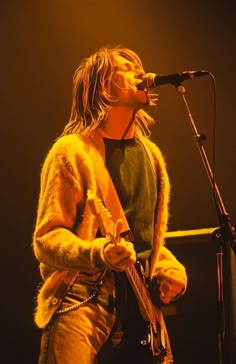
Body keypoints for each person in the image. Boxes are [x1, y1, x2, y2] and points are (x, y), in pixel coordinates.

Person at [32, 45, 187, 364]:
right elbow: (47, 238)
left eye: (137, 66)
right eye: (126, 68)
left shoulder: (151, 156)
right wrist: (98, 253)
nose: (139, 73)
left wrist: (168, 269)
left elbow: (144, 243)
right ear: (103, 86)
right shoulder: (71, 152)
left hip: (144, 313)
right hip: (83, 298)